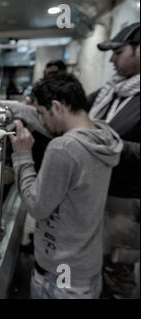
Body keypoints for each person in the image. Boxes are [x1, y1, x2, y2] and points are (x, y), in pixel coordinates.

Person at [0, 72, 123, 298]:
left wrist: (22, 155)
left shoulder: (64, 148)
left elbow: (36, 207)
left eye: (42, 113)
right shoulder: (102, 135)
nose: (42, 121)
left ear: (57, 107)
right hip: (85, 264)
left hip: (61, 273)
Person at [89, 22, 140, 299]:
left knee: (118, 270)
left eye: (118, 52)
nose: (111, 59)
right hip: (99, 193)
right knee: (97, 261)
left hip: (125, 202)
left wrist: (113, 144)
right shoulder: (111, 91)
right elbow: (75, 112)